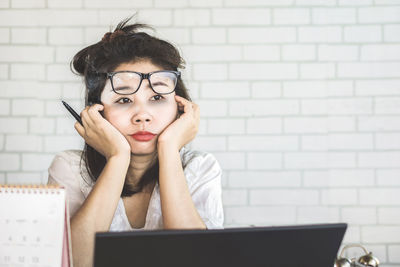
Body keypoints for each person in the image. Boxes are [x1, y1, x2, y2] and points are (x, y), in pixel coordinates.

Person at [47, 16, 224, 267]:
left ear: (180, 106)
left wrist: (169, 149)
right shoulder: (69, 168)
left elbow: (195, 260)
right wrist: (117, 157)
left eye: (158, 97)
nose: (142, 115)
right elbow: (74, 262)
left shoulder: (201, 168)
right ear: (97, 112)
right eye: (124, 100)